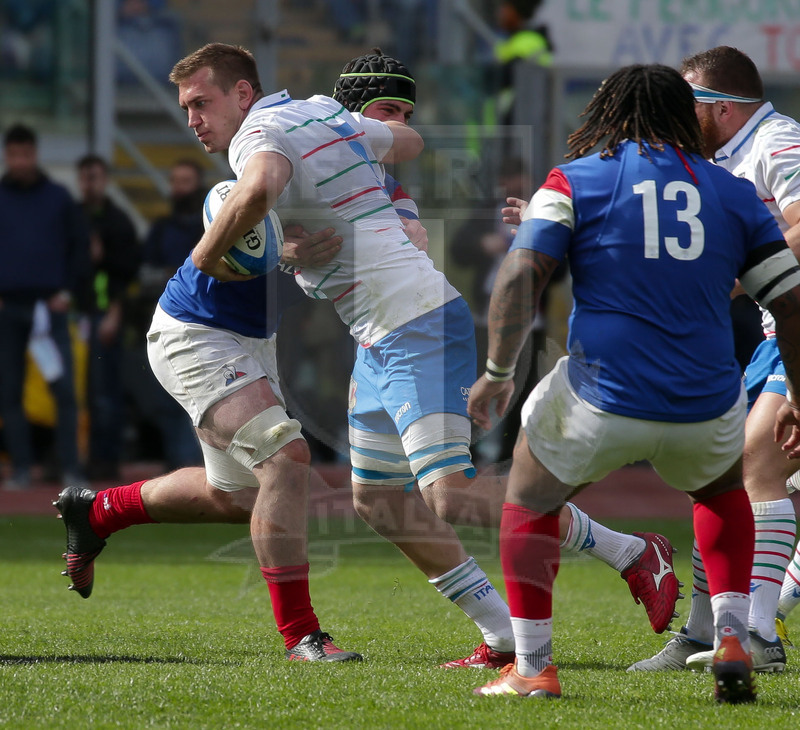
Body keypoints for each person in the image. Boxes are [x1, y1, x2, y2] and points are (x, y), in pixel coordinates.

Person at [57, 46, 679, 668]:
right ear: (355, 108)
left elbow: (315, 183)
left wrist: (243, 246)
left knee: (442, 493)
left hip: (410, 324)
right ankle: (497, 635)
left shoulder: (292, 132)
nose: (192, 118)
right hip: (346, 335)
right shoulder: (320, 123)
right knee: (372, 497)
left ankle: (629, 554)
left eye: (201, 103)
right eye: (387, 110)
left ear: (244, 94)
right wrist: (289, 236)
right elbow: (366, 165)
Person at [467, 63, 800, 704]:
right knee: (724, 490)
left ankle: (533, 668)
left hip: (603, 393)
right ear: (684, 116)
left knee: (528, 496)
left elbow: (518, 277)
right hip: (706, 399)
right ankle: (731, 637)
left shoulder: (577, 178)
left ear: (609, 116)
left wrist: (497, 375)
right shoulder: (733, 193)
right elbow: (791, 303)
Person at [630, 46, 800, 675]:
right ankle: (705, 631)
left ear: (720, 108)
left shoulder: (778, 141)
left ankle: (758, 636)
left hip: (796, 327)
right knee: (721, 474)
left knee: (754, 467)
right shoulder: (718, 159)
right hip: (775, 330)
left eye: (685, 104)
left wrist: (725, 276)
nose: (675, 117)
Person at [0, 123, 89, 489]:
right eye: (14, 155)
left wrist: (66, 292)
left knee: (64, 390)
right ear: (7, 156)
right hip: (8, 309)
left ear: (35, 154)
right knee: (9, 391)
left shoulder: (58, 197)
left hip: (50, 308)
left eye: (26, 154)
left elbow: (79, 247)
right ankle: (21, 468)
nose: (21, 161)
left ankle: (70, 468)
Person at [136, 158, 208, 470]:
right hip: (166, 322)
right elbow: (144, 272)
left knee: (198, 400)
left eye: (186, 182)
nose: (179, 189)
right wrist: (175, 276)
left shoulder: (210, 226)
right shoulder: (161, 229)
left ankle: (194, 464)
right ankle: (176, 463)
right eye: (175, 182)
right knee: (165, 399)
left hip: (206, 323)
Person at [75, 154, 140, 481]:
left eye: (96, 177)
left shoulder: (118, 222)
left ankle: (106, 460)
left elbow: (127, 273)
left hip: (104, 313)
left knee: (104, 392)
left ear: (106, 179)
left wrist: (114, 312)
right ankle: (76, 457)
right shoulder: (72, 217)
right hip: (76, 315)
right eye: (86, 177)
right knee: (79, 392)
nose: (90, 184)